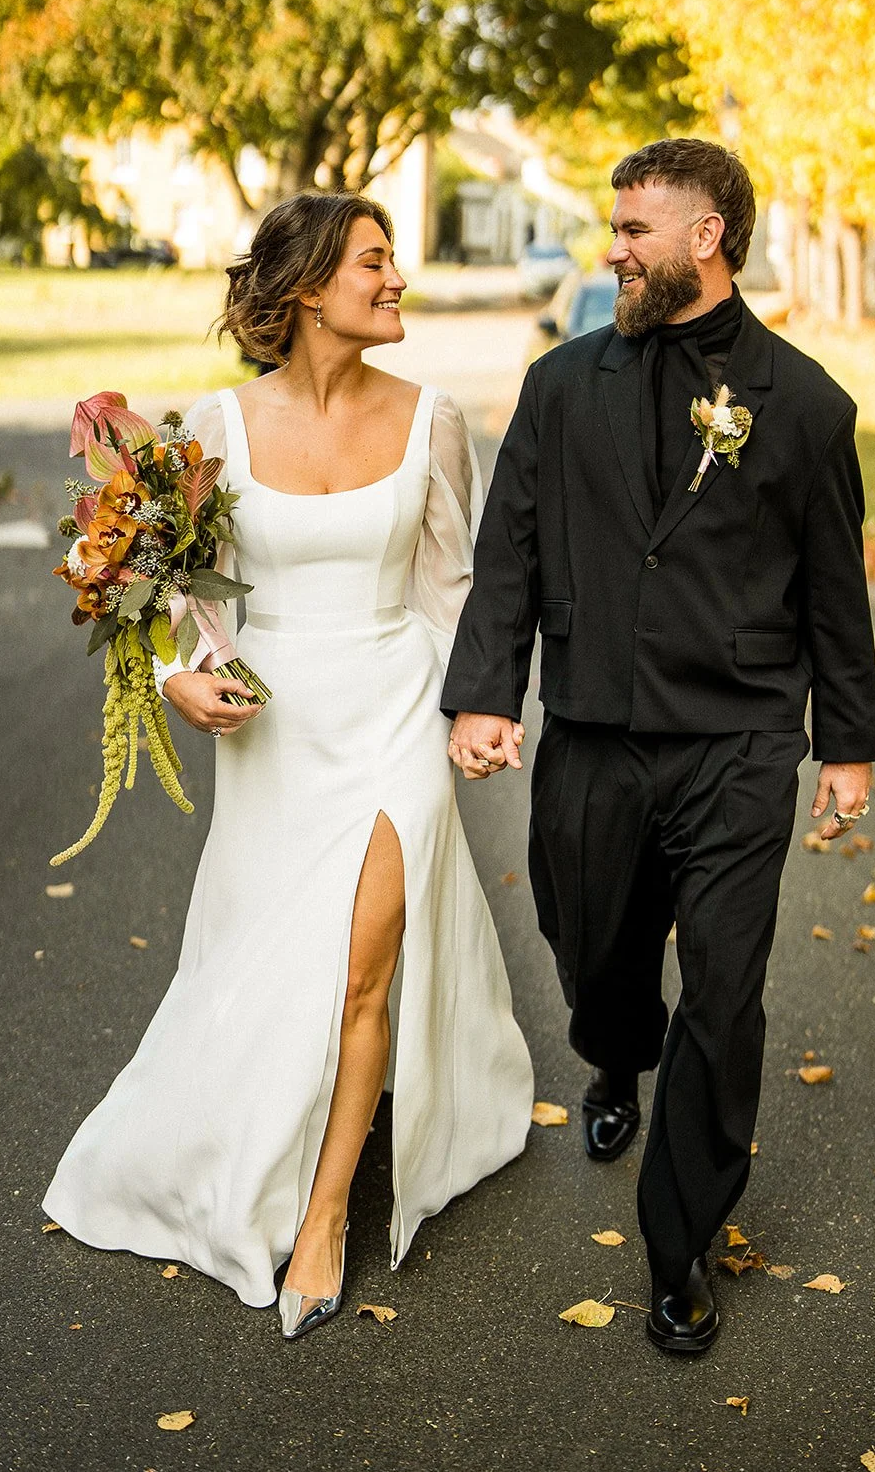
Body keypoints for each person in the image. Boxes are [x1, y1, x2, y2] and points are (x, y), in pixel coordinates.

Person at [45, 190, 534, 1339]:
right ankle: (235, 1134)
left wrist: (479, 707)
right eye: (374, 262)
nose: (396, 278)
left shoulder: (434, 422)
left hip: (393, 708)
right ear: (309, 287)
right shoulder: (213, 426)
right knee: (268, 962)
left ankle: (322, 1218)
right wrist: (177, 674)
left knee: (368, 961)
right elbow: (176, 590)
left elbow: (450, 589)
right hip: (276, 731)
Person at [443, 139, 875, 1354]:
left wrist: (842, 743)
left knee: (726, 990)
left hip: (739, 741)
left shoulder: (805, 405)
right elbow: (512, 546)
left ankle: (678, 1243)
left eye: (636, 227)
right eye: (613, 224)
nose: (613, 246)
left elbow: (833, 592)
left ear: (708, 236)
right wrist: (487, 692)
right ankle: (611, 1052)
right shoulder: (558, 383)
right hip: (590, 729)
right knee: (590, 946)